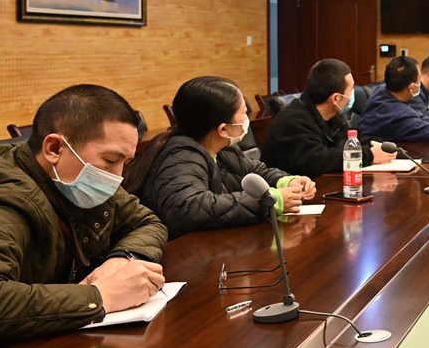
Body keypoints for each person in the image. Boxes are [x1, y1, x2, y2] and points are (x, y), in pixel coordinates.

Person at [0, 84, 167, 348]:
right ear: (54, 148)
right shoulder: (2, 203)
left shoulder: (77, 180)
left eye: (125, 163)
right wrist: (101, 296)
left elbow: (148, 222)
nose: (118, 176)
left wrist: (121, 258)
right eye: (110, 160)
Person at [127, 77, 316, 239]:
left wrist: (287, 181)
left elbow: (256, 171)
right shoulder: (180, 156)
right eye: (244, 113)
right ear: (223, 129)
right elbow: (188, 210)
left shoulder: (224, 148)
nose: (247, 119)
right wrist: (269, 201)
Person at [261, 59, 395, 177]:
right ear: (336, 98)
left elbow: (352, 140)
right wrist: (368, 155)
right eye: (351, 89)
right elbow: (316, 161)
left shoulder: (331, 116)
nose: (353, 93)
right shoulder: (293, 121)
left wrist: (378, 146)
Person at [359, 56, 429, 143]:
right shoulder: (400, 115)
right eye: (419, 80)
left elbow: (421, 117)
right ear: (411, 88)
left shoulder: (382, 90)